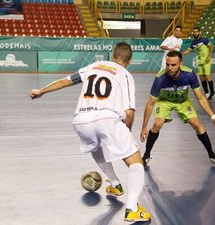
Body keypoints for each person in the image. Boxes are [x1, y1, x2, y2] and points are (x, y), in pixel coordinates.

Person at [29, 42, 151, 222]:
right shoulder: (125, 75)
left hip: (81, 120)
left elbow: (65, 80)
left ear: (112, 55)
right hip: (107, 118)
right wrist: (126, 134)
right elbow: (129, 113)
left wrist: (41, 91)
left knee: (96, 148)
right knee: (136, 163)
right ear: (129, 60)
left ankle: (115, 184)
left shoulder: (93, 66)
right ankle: (132, 208)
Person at [140, 51, 215, 169]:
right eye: (167, 64)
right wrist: (144, 127)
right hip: (165, 101)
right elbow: (150, 103)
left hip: (182, 101)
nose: (169, 68)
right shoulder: (160, 78)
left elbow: (200, 97)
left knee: (197, 124)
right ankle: (146, 155)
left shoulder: (189, 74)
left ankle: (212, 155)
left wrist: (213, 117)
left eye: (173, 65)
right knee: (157, 123)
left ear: (180, 64)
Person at [181, 27, 215, 100]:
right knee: (201, 78)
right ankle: (206, 93)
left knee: (207, 76)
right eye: (194, 32)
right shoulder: (193, 43)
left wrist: (209, 56)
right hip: (200, 62)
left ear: (199, 32)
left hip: (206, 61)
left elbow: (212, 46)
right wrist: (180, 53)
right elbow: (188, 50)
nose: (195, 33)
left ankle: (212, 92)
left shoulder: (204, 40)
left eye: (196, 32)